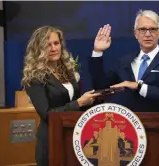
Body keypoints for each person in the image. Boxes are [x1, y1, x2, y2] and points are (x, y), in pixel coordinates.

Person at [21, 26, 101, 166]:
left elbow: (73, 102)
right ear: (39, 49)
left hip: (73, 136)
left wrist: (93, 99)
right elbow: (47, 114)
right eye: (48, 45)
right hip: (52, 139)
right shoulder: (34, 78)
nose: (53, 48)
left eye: (56, 43)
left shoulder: (66, 71)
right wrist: (79, 103)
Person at [89, 9, 159, 112]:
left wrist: (139, 87)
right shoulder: (124, 61)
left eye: (152, 29)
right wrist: (97, 52)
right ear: (135, 33)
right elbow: (99, 85)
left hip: (157, 124)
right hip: (128, 125)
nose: (147, 34)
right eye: (142, 29)